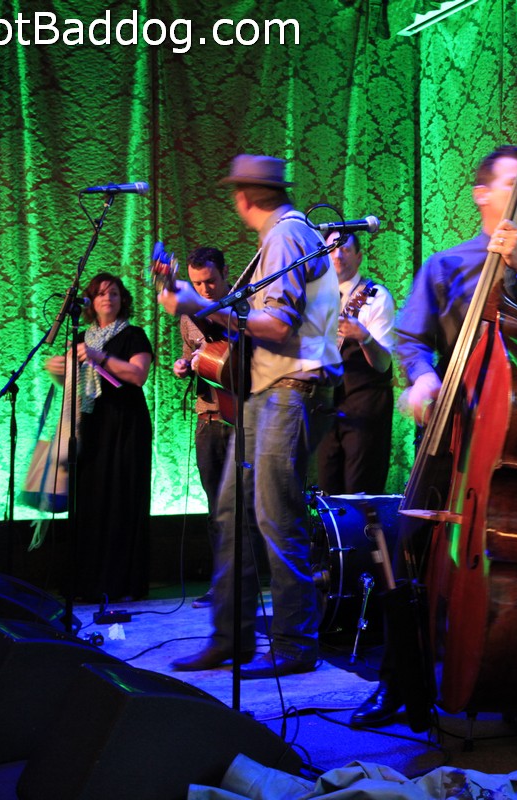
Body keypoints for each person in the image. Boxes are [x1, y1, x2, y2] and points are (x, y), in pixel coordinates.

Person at [350, 144, 517, 729]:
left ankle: (512, 680)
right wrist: (423, 377)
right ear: (482, 194)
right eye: (516, 182)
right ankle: (396, 682)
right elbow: (411, 339)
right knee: (409, 550)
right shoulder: (445, 264)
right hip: (450, 432)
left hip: (513, 431)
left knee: (512, 561)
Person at [159, 154, 342, 679]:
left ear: (245, 197)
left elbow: (277, 325)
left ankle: (294, 643)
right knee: (232, 514)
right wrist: (192, 303)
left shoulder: (286, 236)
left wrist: (196, 303)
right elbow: (256, 321)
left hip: (290, 388)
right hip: (267, 390)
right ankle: (231, 637)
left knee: (275, 515)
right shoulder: (279, 239)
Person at [45, 272, 154, 602]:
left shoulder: (133, 335)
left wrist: (98, 357)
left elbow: (138, 375)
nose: (108, 298)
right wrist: (59, 370)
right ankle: (88, 583)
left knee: (122, 499)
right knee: (90, 501)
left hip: (125, 425)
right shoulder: (81, 337)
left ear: (123, 300)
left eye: (114, 293)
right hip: (91, 424)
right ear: (90, 301)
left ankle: (121, 584)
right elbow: (75, 384)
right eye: (101, 293)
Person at [171, 247, 234, 608]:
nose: (204, 289)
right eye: (196, 283)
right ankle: (220, 583)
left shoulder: (244, 309)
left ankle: (246, 582)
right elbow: (191, 356)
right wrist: (183, 366)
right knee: (215, 508)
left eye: (210, 280)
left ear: (225, 272)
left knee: (244, 507)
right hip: (207, 416)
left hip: (240, 418)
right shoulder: (188, 317)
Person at [314, 231, 397, 495]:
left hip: (364, 409)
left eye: (345, 249)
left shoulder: (376, 296)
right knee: (328, 493)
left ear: (359, 257)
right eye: (332, 249)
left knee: (359, 493)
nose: (338, 255)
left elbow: (383, 363)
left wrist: (364, 337)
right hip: (326, 408)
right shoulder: (315, 298)